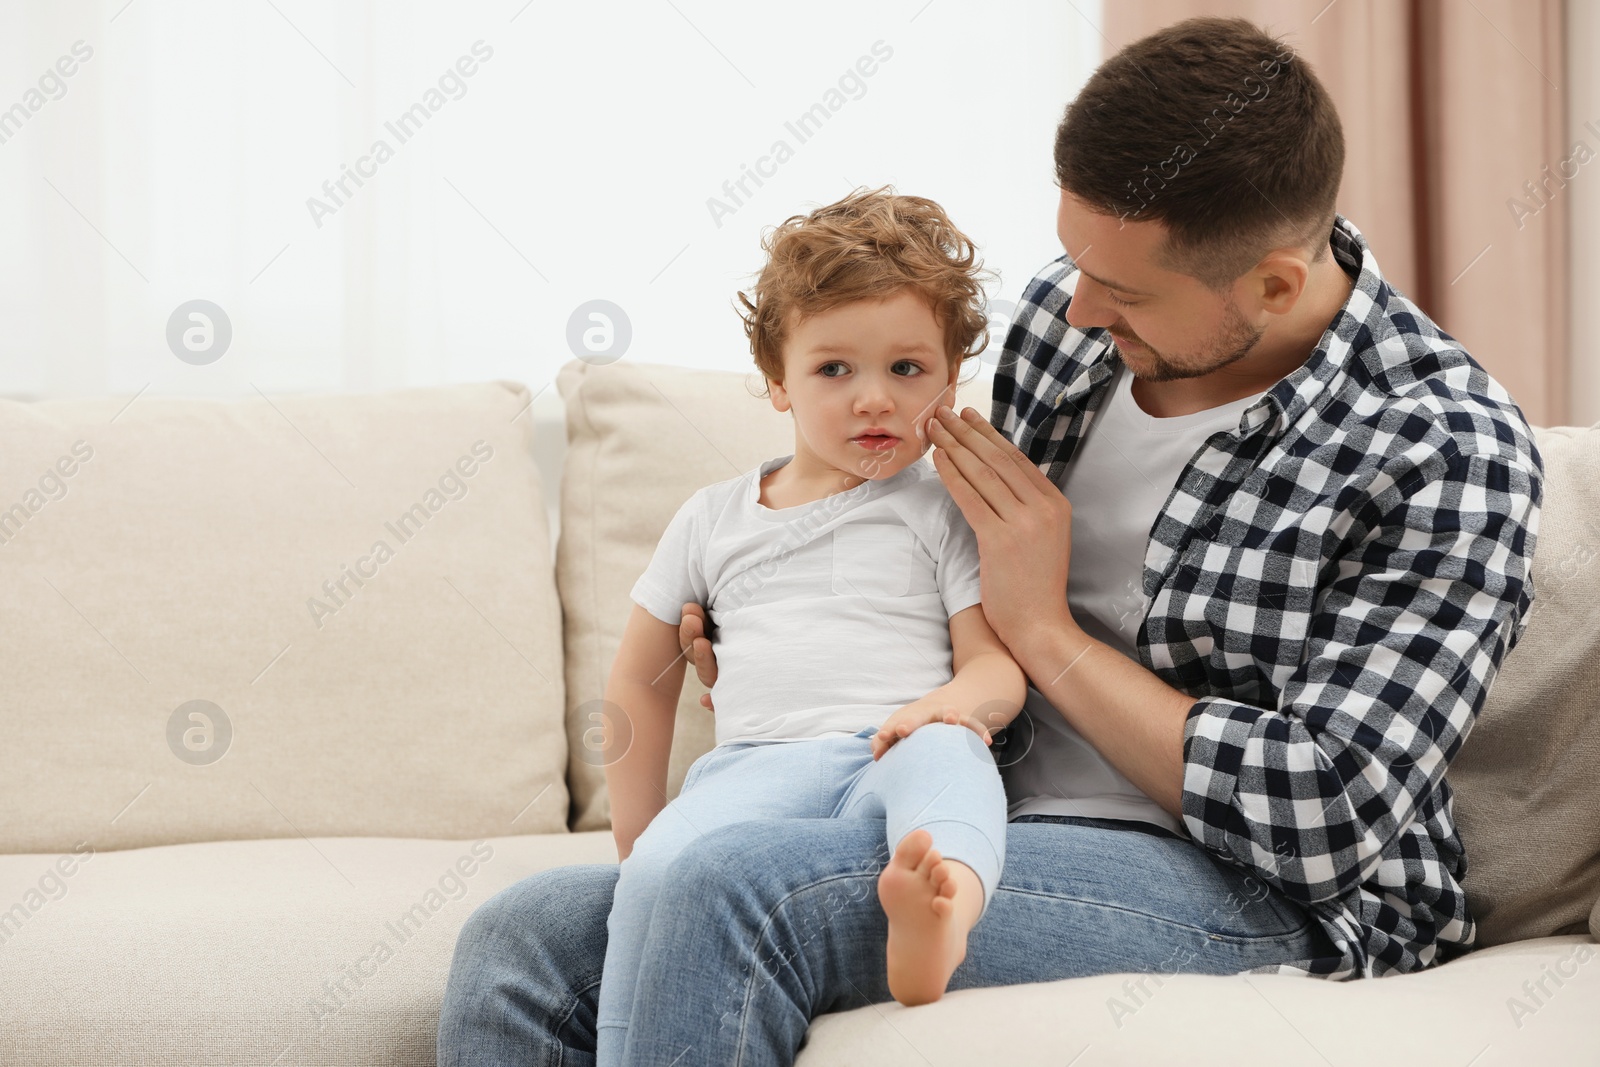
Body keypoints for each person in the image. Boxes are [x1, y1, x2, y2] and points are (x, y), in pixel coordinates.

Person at [439, 17, 1543, 1067]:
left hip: (1243, 878)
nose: (1070, 314)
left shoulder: (1441, 445)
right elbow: (914, 527)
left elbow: (1325, 813)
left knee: (725, 886)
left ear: (1273, 284)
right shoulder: (1073, 336)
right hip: (974, 802)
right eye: (1074, 265)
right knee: (522, 936)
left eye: (1117, 292)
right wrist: (777, 602)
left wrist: (1043, 633)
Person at [590, 188, 1027, 1066]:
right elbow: (639, 679)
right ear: (776, 379)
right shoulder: (713, 519)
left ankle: (941, 922)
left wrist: (945, 707)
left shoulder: (946, 511)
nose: (874, 400)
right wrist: (640, 837)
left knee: (954, 758)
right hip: (753, 770)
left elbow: (997, 672)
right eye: (835, 370)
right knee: (659, 880)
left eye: (907, 369)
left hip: (888, 758)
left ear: (948, 377)